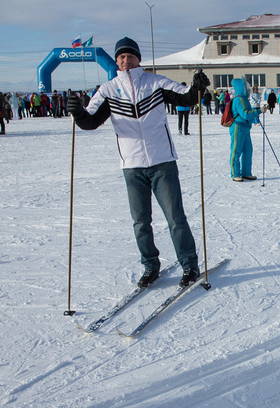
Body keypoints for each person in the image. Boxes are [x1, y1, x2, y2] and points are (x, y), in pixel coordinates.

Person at [66, 37, 208, 287]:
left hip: (162, 161)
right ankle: (151, 266)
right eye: (121, 57)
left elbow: (186, 98)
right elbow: (89, 122)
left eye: (130, 56)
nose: (125, 60)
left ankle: (189, 265)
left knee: (175, 217)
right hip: (132, 165)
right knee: (141, 221)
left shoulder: (155, 82)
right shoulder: (108, 90)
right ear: (117, 62)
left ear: (138, 59)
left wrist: (197, 88)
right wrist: (77, 111)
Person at [228, 78, 260, 182]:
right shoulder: (239, 99)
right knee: (236, 151)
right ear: (241, 88)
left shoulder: (244, 99)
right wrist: (257, 112)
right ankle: (235, 173)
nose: (248, 88)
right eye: (246, 86)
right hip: (238, 127)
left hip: (245, 128)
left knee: (248, 151)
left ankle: (246, 173)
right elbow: (245, 114)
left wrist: (256, 112)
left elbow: (249, 112)